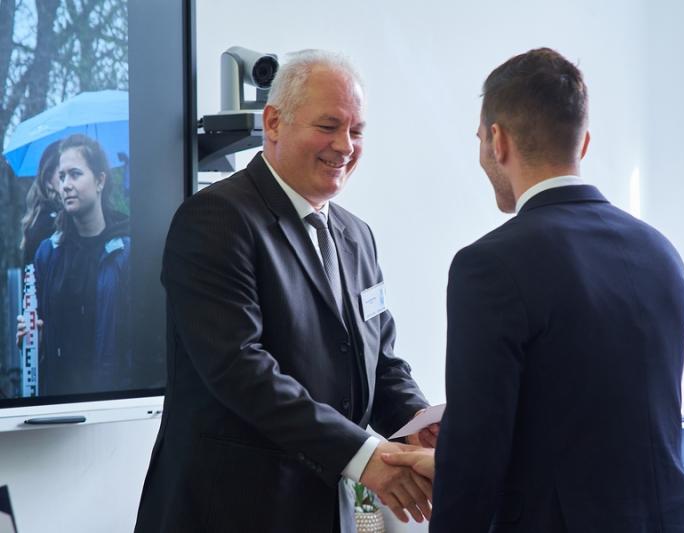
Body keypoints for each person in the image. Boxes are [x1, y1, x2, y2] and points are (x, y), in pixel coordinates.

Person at [386, 48, 684, 532]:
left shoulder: (489, 265)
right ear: (583, 144)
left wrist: (454, 476)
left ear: (497, 140)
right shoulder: (661, 253)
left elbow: (478, 452)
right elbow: (598, 422)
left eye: (480, 139)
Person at [134, 50, 436, 533]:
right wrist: (365, 456)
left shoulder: (357, 236)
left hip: (325, 512)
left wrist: (416, 422)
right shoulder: (215, 219)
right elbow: (240, 369)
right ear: (273, 122)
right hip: (231, 514)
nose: (345, 146)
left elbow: (380, 363)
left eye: (357, 131)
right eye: (328, 126)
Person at [23, 134, 131, 396]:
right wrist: (35, 337)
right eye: (61, 177)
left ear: (100, 181)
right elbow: (41, 328)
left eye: (75, 174)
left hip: (112, 399)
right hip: (58, 398)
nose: (66, 185)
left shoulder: (126, 250)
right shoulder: (48, 253)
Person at [19, 140, 62, 266]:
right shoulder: (48, 223)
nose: (69, 182)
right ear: (48, 181)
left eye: (75, 173)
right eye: (62, 175)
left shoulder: (46, 216)